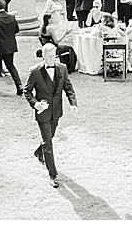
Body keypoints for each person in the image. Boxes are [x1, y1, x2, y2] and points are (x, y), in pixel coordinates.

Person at [23, 43, 78, 189]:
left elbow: (68, 86)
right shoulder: (34, 71)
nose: (50, 59)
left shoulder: (62, 68)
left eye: (53, 56)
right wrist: (35, 104)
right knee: (48, 142)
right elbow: (27, 92)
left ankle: (38, 152)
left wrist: (73, 103)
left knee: (50, 137)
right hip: (42, 113)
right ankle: (53, 175)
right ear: (42, 55)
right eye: (47, 57)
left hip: (56, 112)